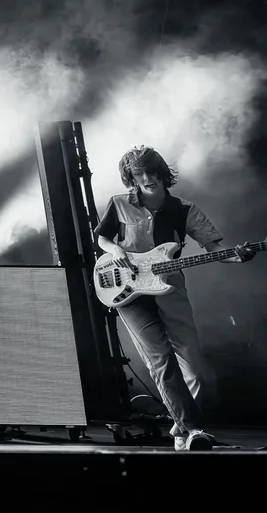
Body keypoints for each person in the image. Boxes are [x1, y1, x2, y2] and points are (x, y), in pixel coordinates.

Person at [94, 145, 255, 451]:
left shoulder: (184, 209)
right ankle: (193, 430)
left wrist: (240, 257)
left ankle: (181, 427)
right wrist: (116, 250)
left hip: (171, 288)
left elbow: (216, 252)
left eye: (151, 172)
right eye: (138, 173)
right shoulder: (118, 203)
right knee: (161, 359)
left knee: (194, 368)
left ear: (162, 173)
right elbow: (102, 237)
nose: (146, 178)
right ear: (130, 176)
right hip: (128, 293)